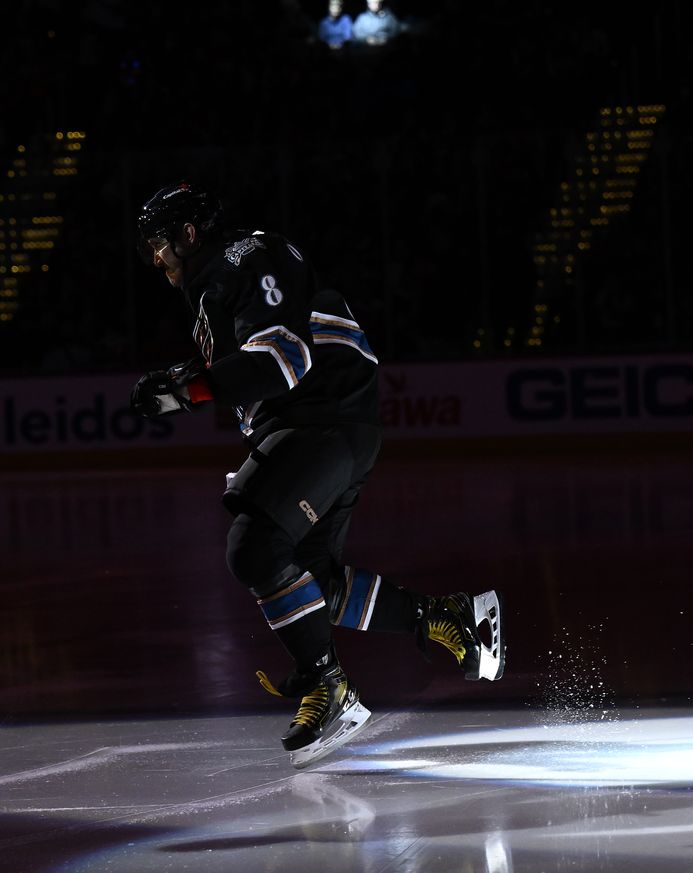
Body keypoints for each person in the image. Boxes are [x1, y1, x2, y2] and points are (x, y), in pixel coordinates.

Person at [130, 181, 505, 768]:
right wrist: (191, 380)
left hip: (318, 419)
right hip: (331, 423)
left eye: (160, 243)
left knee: (255, 549)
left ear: (188, 233)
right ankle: (448, 618)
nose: (157, 259)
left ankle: (327, 686)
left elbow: (285, 357)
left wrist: (190, 390)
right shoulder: (232, 269)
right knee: (309, 581)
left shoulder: (239, 260)